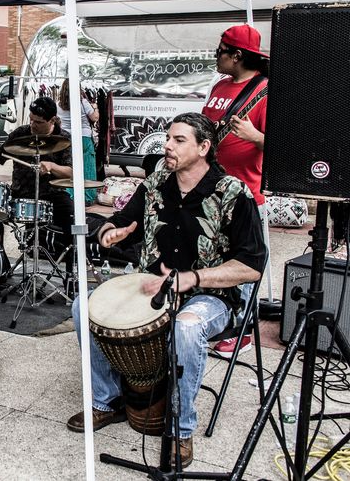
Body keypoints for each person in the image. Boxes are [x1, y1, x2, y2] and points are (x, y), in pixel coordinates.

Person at [66, 112, 265, 467]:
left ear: (204, 148)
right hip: (153, 284)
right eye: (168, 138)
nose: (167, 146)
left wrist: (193, 278)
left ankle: (180, 428)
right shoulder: (157, 182)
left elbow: (250, 266)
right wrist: (113, 229)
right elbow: (125, 219)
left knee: (187, 325)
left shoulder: (233, 193)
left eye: (178, 140)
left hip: (210, 297)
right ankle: (105, 401)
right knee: (84, 305)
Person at [202, 24, 269, 357]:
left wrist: (254, 136)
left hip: (243, 194)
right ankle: (220, 319)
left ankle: (243, 331)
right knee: (215, 261)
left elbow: (285, 148)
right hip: (211, 190)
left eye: (220, 51)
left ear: (237, 55)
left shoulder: (266, 91)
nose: (217, 57)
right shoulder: (220, 85)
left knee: (241, 263)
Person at [0, 97, 75, 266]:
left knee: (73, 218)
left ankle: (70, 275)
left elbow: (71, 172)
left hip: (52, 195)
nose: (33, 125)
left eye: (38, 122)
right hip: (19, 193)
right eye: (31, 120)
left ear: (52, 120)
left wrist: (52, 166)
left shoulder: (63, 138)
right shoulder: (20, 134)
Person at [57, 79, 99, 205]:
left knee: (70, 168)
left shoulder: (58, 105)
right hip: (83, 137)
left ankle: (70, 195)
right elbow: (94, 117)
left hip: (66, 138)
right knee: (87, 167)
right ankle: (87, 197)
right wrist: (96, 108)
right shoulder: (82, 102)